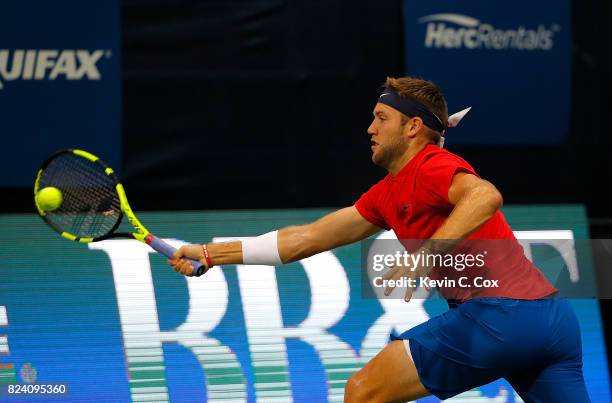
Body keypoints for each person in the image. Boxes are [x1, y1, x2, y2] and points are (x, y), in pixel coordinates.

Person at [168, 77, 590, 402]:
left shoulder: (430, 165)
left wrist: (427, 254)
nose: (369, 128)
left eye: (380, 118)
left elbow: (485, 195)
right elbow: (305, 239)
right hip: (551, 321)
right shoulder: (387, 194)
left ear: (413, 127)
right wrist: (209, 253)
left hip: (499, 318)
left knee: (363, 391)